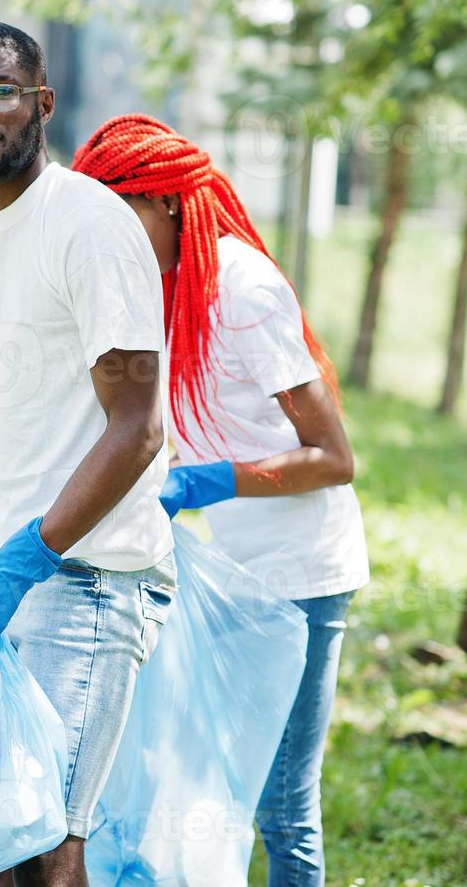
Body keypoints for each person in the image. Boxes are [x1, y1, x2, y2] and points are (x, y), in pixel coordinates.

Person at [71, 113, 368, 887]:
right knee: (206, 782)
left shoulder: (241, 286)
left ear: (166, 201)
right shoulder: (164, 289)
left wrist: (209, 481)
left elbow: (333, 458)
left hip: (302, 574)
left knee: (279, 799)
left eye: (124, 215)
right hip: (226, 571)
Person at [0, 20, 176, 887]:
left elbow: (138, 424)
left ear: (42, 103)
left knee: (44, 846)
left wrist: (25, 557)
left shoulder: (89, 226)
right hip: (12, 572)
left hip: (89, 581)